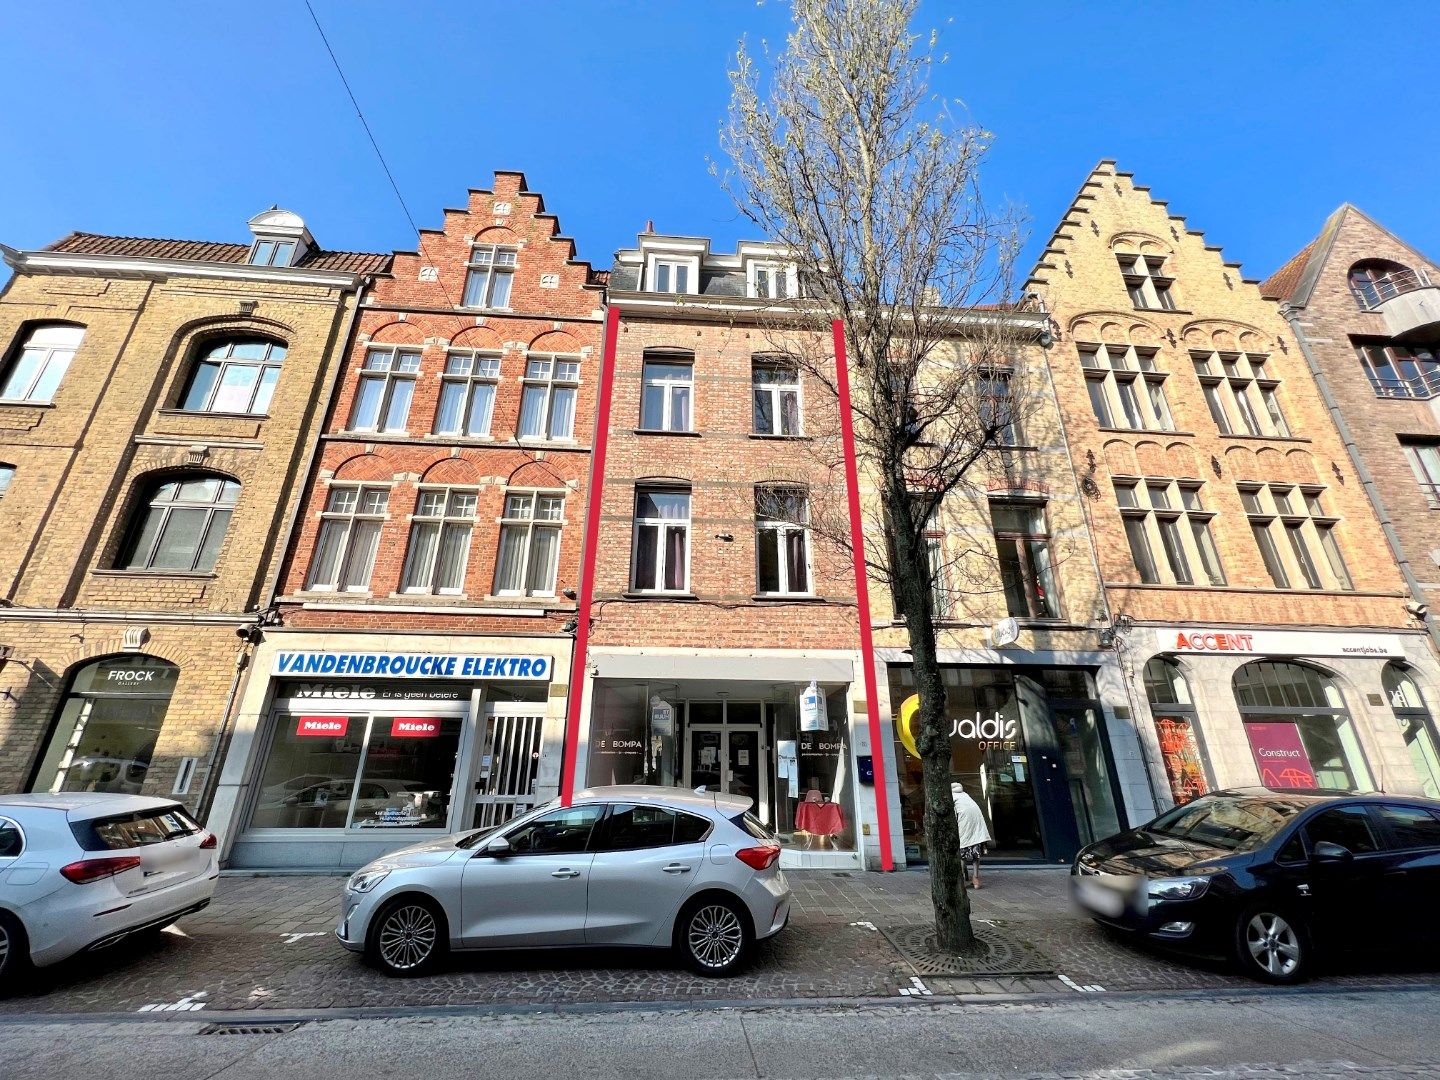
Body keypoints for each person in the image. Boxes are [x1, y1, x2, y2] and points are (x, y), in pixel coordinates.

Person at [951, 781, 993, 890]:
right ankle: (976, 878)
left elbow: (955, 815)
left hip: (965, 823)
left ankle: (960, 883)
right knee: (975, 853)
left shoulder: (952, 797)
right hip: (977, 824)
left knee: (962, 852)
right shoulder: (965, 795)